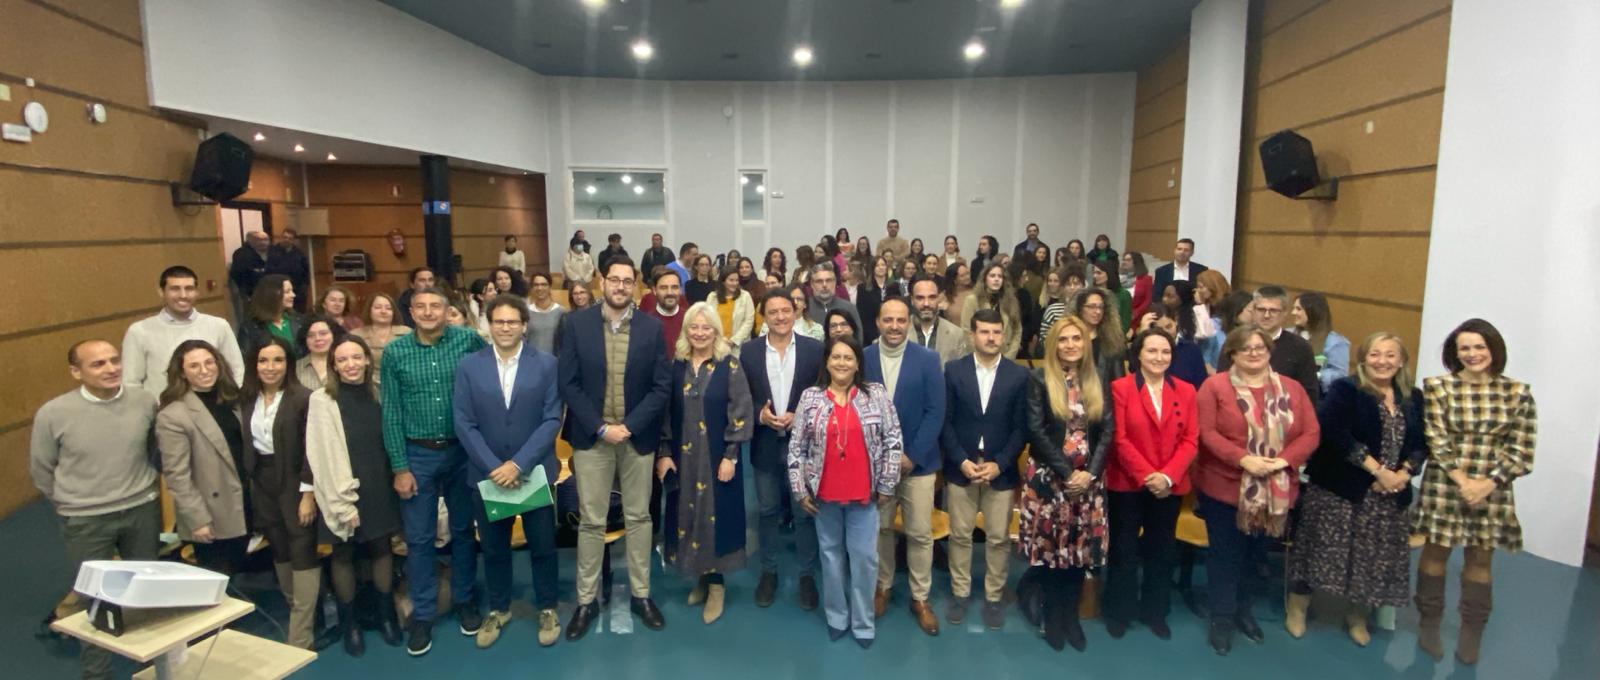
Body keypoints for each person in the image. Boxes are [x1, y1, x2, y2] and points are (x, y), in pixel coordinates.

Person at [30, 340, 162, 680]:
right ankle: (98, 674)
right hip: (86, 519)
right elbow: (42, 470)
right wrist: (73, 502)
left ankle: (152, 666)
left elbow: (154, 450)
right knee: (95, 599)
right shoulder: (54, 413)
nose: (111, 369)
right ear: (77, 372)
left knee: (145, 592)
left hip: (141, 510)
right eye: (98, 364)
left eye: (114, 361)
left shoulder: (145, 400)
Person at [559, 256, 673, 639]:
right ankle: (586, 600)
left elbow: (661, 386)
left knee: (640, 518)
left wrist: (629, 427)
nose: (621, 286)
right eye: (614, 279)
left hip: (635, 437)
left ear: (636, 286)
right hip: (592, 439)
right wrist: (599, 427)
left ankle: (641, 595)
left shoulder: (652, 329)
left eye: (628, 281)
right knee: (592, 521)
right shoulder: (575, 324)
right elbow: (568, 383)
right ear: (602, 282)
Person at [1287, 332, 1425, 648]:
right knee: (1316, 552)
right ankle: (1298, 608)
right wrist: (1376, 470)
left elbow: (1420, 442)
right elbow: (1334, 432)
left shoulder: (1412, 397)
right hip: (1340, 490)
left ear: (1401, 360)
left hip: (1387, 497)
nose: (1383, 361)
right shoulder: (1345, 390)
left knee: (1371, 560)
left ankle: (1357, 616)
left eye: (1391, 355)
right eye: (1375, 354)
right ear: (1363, 359)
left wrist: (1403, 473)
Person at [1412, 319, 1536, 666]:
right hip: (1446, 483)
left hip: (1493, 488)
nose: (1472, 354)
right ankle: (1430, 623)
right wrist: (1463, 480)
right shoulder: (1437, 387)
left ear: (1494, 349)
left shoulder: (1518, 392)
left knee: (1480, 558)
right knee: (1435, 552)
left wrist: (1487, 483)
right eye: (1464, 348)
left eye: (1479, 347)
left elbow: (1522, 449)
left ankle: (1472, 630)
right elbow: (1435, 437)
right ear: (1454, 353)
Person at [1195, 325, 1320, 655]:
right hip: (1225, 488)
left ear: (1269, 352)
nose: (1254, 353)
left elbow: (1310, 433)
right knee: (1225, 556)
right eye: (1245, 348)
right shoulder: (1215, 387)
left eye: (1260, 347)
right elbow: (1206, 433)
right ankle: (1221, 618)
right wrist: (1244, 459)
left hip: (1276, 489)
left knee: (1256, 557)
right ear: (1232, 353)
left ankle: (1243, 611)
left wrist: (1282, 463)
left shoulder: (1292, 389)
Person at [380, 285, 488, 656]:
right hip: (417, 455)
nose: (428, 312)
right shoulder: (396, 352)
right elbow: (391, 412)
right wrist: (399, 466)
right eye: (420, 307)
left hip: (462, 452)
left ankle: (464, 600)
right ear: (410, 311)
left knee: (462, 530)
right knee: (420, 538)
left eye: (436, 306)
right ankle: (424, 613)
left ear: (448, 310)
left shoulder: (469, 343)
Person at [452, 295, 565, 649]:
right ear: (488, 325)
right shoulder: (469, 366)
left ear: (524, 325)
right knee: (495, 547)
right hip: (487, 475)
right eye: (498, 321)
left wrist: (519, 464)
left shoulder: (546, 364)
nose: (505, 328)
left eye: (512, 322)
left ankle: (547, 606)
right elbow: (464, 422)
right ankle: (498, 608)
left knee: (543, 545)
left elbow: (551, 418)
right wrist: (494, 467)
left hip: (532, 470)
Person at [789, 336, 904, 648]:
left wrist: (886, 484)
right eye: (836, 357)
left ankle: (863, 622)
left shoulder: (875, 394)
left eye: (848, 357)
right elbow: (796, 449)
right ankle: (837, 617)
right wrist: (800, 491)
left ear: (857, 364)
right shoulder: (811, 398)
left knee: (865, 559)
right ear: (827, 361)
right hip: (824, 495)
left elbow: (894, 440)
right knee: (830, 557)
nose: (842, 362)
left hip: (865, 494)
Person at [1017, 315, 1115, 652]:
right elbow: (1036, 430)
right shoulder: (1039, 378)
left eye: (1076, 338)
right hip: (1050, 480)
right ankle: (1051, 614)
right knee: (1051, 553)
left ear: (1085, 343)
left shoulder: (1098, 377)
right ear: (1053, 343)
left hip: (1088, 484)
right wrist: (1067, 472)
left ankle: (1070, 616)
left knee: (1077, 552)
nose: (1070, 345)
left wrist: (1089, 473)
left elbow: (1108, 432)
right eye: (1063, 339)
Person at [657, 303, 755, 624]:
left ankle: (716, 586)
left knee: (715, 519)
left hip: (715, 460)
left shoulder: (729, 366)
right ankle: (700, 575)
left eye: (706, 327)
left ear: (716, 330)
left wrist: (730, 456)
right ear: (686, 331)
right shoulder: (677, 367)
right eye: (694, 328)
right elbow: (665, 415)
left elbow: (740, 413)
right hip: (683, 459)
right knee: (687, 515)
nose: (700, 333)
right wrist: (664, 453)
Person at [306, 336, 404, 656]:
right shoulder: (322, 400)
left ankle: (386, 615)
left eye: (356, 357)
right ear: (333, 364)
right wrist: (339, 501)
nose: (350, 365)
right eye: (343, 359)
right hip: (340, 487)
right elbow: (318, 453)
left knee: (380, 547)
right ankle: (350, 624)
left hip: (378, 480)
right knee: (342, 553)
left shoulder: (379, 392)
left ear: (366, 359)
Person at [1105, 328, 1199, 641]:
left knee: (1162, 551)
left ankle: (1155, 612)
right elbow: (1119, 438)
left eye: (1165, 352)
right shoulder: (1120, 388)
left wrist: (1167, 476)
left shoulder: (1186, 391)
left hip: (1169, 486)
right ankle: (1119, 612)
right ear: (1139, 354)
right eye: (1152, 351)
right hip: (1128, 483)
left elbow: (1191, 440)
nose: (1159, 358)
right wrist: (1148, 475)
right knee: (1124, 550)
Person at [940, 309, 1029, 629]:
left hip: (999, 470)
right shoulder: (953, 371)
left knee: (998, 537)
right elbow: (945, 422)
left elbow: (1022, 428)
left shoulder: (1019, 376)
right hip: (961, 465)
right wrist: (961, 460)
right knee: (961, 535)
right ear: (972, 335)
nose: (991, 338)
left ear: (1003, 336)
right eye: (985, 332)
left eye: (996, 332)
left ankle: (994, 597)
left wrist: (1000, 463)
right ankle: (960, 593)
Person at [864, 298, 946, 636]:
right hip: (875, 465)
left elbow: (935, 411)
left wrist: (911, 455)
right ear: (879, 323)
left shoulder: (928, 360)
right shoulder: (864, 358)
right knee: (880, 529)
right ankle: (882, 587)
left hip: (920, 464)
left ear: (908, 322)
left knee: (919, 533)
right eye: (888, 320)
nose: (895, 326)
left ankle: (920, 597)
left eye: (901, 320)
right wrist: (882, 457)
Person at [741, 290, 826, 609]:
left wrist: (800, 415)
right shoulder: (748, 352)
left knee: (804, 512)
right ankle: (769, 571)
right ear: (764, 316)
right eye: (773, 311)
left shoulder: (814, 350)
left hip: (802, 447)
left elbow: (823, 393)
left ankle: (806, 575)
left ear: (796, 312)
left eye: (785, 310)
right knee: (767, 511)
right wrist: (759, 414)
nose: (780, 316)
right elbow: (740, 397)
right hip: (764, 444)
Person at [238, 337, 319, 649]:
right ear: (254, 365)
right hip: (262, 483)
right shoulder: (247, 400)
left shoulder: (303, 398)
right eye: (263, 361)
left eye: (278, 360)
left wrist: (308, 493)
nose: (270, 367)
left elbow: (312, 449)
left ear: (289, 364)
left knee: (302, 551)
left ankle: (300, 637)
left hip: (296, 482)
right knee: (280, 550)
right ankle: (303, 612)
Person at [156, 340, 249, 575]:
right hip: (211, 510)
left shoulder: (234, 399)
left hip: (244, 499)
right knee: (219, 580)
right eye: (194, 366)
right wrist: (197, 519)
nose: (205, 370)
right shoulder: (174, 415)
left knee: (240, 571)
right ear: (182, 373)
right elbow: (177, 476)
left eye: (209, 362)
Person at [123, 265, 245, 399]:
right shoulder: (140, 331)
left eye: (189, 289)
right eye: (175, 289)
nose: (183, 295)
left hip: (213, 408)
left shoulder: (218, 326)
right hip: (162, 411)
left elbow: (236, 370)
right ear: (161, 292)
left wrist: (229, 400)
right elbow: (131, 382)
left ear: (197, 292)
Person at [1218, 286, 1320, 405]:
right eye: (1261, 309)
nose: (1266, 315)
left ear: (1284, 313)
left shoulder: (1300, 347)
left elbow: (1309, 395)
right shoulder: (1235, 341)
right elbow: (1221, 384)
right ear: (1253, 310)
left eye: (1273, 311)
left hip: (1286, 416)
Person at [960, 263, 1023, 359]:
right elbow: (967, 330)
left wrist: (1009, 356)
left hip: (1005, 357)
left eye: (1000, 276)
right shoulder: (972, 300)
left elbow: (1017, 331)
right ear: (985, 278)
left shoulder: (1011, 301)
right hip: (979, 357)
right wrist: (981, 356)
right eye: (992, 276)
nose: (996, 279)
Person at [1141, 301, 1208, 389]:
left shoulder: (1191, 349)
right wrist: (1143, 335)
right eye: (1159, 329)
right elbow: (1134, 370)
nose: (1166, 333)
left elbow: (1202, 385)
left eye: (1169, 327)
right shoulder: (1146, 351)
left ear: (1176, 321)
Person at [1292, 292, 1350, 392]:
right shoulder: (1288, 334)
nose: (1293, 312)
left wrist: (1316, 375)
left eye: (1298, 309)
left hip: (1317, 396)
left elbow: (1340, 375)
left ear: (1312, 311)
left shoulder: (1336, 343)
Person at [908, 275, 971, 366]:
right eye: (920, 298)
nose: (926, 304)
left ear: (939, 299)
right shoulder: (899, 332)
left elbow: (961, 374)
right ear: (912, 300)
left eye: (932, 297)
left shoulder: (956, 335)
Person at [238, 274, 302, 360]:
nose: (293, 295)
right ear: (272, 294)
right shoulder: (250, 328)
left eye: (292, 291)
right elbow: (247, 359)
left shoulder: (298, 321)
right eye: (287, 292)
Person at [352, 292, 412, 371]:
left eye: (388, 308)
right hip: (368, 380)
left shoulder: (407, 333)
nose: (383, 311)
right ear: (369, 310)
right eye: (378, 307)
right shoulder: (356, 335)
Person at [805, 264, 863, 343]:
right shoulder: (805, 309)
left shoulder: (848, 308)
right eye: (819, 281)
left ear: (835, 282)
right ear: (812, 284)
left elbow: (858, 337)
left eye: (828, 280)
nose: (824, 285)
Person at [1206, 290, 1254, 370]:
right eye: (1250, 311)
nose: (1254, 315)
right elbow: (1205, 362)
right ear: (1238, 309)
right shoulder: (1213, 326)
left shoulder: (1251, 331)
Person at [641, 267, 688, 349]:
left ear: (680, 290)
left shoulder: (689, 319)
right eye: (663, 288)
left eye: (674, 287)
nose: (670, 292)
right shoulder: (645, 324)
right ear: (654, 290)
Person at [267, 228, 311, 312]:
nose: (286, 240)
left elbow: (305, 272)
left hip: (297, 291)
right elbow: (269, 270)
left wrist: (304, 288)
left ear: (294, 240)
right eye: (285, 237)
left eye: (290, 238)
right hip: (279, 289)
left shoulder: (299, 254)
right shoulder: (272, 252)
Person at [294, 315, 341, 391]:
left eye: (323, 333)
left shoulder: (345, 364)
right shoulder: (295, 368)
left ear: (334, 335)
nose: (317, 338)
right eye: (311, 335)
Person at [710, 266, 756, 343]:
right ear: (723, 281)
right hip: (716, 344)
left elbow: (749, 321)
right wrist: (719, 339)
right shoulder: (712, 297)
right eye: (731, 280)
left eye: (737, 280)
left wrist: (733, 341)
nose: (735, 283)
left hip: (739, 345)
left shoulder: (745, 296)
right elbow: (708, 320)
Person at [229, 230, 272, 312]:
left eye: (266, 239)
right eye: (260, 240)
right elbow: (238, 275)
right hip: (249, 293)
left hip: (267, 292)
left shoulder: (272, 253)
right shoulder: (241, 254)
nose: (264, 242)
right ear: (251, 241)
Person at [857, 256, 891, 346]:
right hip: (870, 335)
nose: (881, 267)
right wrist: (872, 337)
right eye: (877, 265)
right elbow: (862, 315)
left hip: (890, 332)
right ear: (872, 268)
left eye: (883, 265)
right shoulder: (863, 288)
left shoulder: (893, 287)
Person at [1122, 252, 1153, 330]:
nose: (1125, 262)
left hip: (1137, 317)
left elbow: (1148, 300)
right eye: (1124, 260)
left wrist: (1135, 313)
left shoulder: (1146, 279)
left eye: (1128, 260)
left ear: (1136, 262)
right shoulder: (1119, 278)